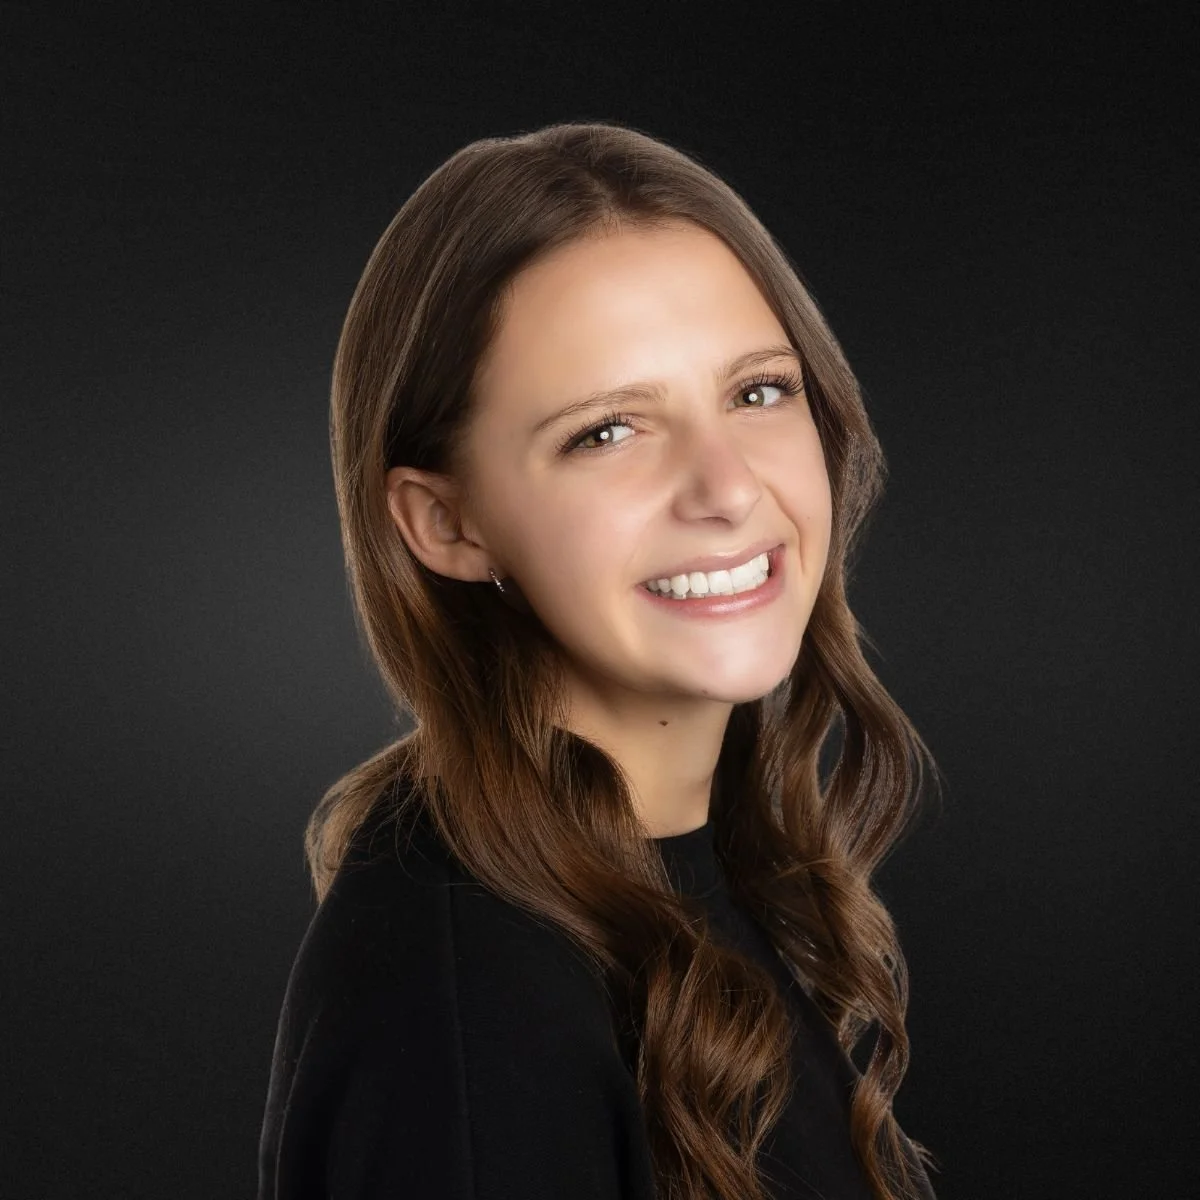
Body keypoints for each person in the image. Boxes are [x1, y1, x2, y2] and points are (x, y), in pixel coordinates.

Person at [257, 120, 943, 1200]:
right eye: (608, 431)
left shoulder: (673, 869)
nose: (727, 488)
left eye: (758, 392)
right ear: (447, 524)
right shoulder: (472, 1007)